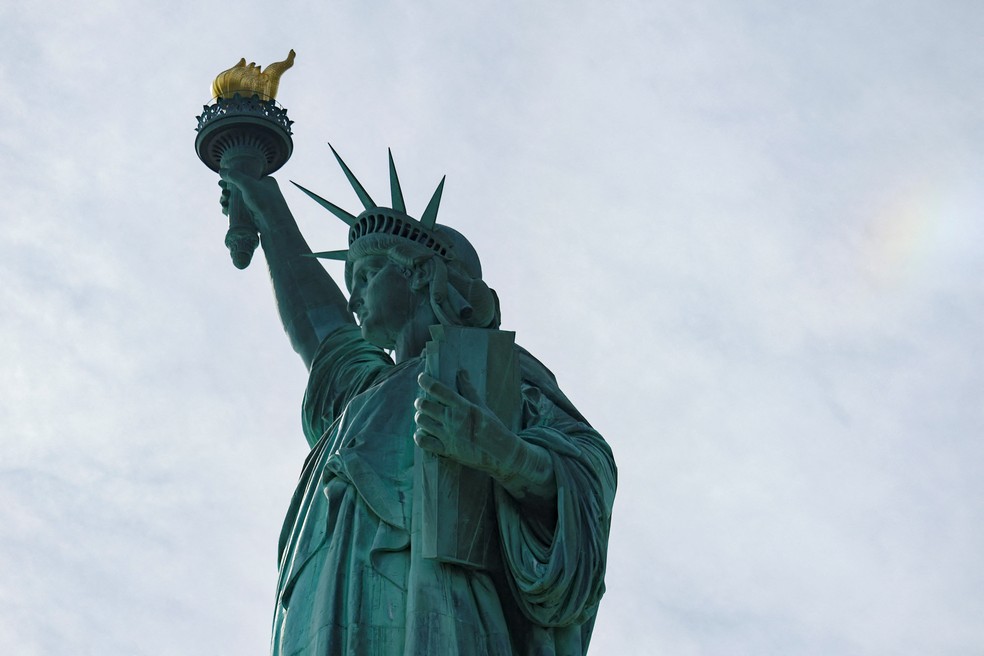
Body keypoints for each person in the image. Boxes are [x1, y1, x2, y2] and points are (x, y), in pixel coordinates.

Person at [218, 148, 616, 655]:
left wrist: (502, 453)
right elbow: (320, 329)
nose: (355, 297)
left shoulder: (486, 369)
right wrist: (263, 199)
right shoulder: (365, 391)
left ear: (422, 274)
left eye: (366, 276)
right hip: (328, 611)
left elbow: (588, 468)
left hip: (442, 611)